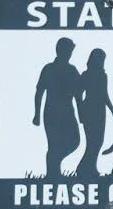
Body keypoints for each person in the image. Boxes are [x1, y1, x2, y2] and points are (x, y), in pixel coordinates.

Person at [33, 37, 81, 177]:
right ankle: (52, 174)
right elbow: (39, 92)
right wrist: (36, 114)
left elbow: (78, 94)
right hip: (51, 112)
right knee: (53, 145)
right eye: (69, 51)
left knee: (74, 141)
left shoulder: (72, 70)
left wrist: (82, 114)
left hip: (67, 112)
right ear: (62, 51)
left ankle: (54, 167)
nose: (70, 54)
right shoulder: (48, 69)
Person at [75, 48, 113, 177]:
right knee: (93, 142)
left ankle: (89, 168)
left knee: (97, 141)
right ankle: (84, 168)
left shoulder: (101, 75)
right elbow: (78, 94)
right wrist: (80, 112)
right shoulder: (88, 75)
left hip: (99, 110)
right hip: (91, 109)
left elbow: (104, 95)